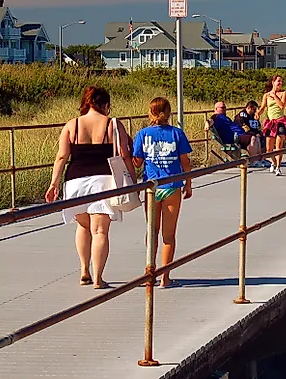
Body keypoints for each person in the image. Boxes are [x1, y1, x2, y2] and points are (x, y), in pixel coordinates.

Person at [45, 86, 136, 289]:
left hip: (75, 181)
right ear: (106, 105)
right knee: (100, 231)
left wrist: (54, 183)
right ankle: (98, 278)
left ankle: (84, 270)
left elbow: (61, 156)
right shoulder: (113, 124)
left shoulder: (72, 125)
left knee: (83, 226)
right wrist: (133, 182)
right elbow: (124, 155)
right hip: (104, 180)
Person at [132, 97, 192, 289]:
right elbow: (185, 162)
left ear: (150, 112)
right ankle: (165, 278)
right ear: (169, 112)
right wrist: (188, 183)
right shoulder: (177, 133)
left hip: (151, 187)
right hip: (172, 185)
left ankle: (149, 272)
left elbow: (137, 162)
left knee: (152, 231)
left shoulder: (143, 134)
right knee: (169, 235)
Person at [257, 75, 286, 176]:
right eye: (278, 81)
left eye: (281, 81)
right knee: (269, 149)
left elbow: (281, 105)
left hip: (280, 121)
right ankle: (274, 162)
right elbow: (263, 107)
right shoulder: (266, 95)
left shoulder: (283, 93)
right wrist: (258, 113)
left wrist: (275, 95)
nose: (280, 83)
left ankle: (278, 167)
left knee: (279, 146)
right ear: (273, 82)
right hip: (271, 122)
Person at [236, 101, 271, 168]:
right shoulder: (242, 115)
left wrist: (257, 120)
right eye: (254, 109)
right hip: (243, 134)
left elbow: (258, 127)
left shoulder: (253, 116)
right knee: (255, 138)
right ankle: (254, 160)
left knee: (263, 137)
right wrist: (254, 134)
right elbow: (244, 128)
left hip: (252, 133)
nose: (255, 111)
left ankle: (261, 158)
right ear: (249, 108)